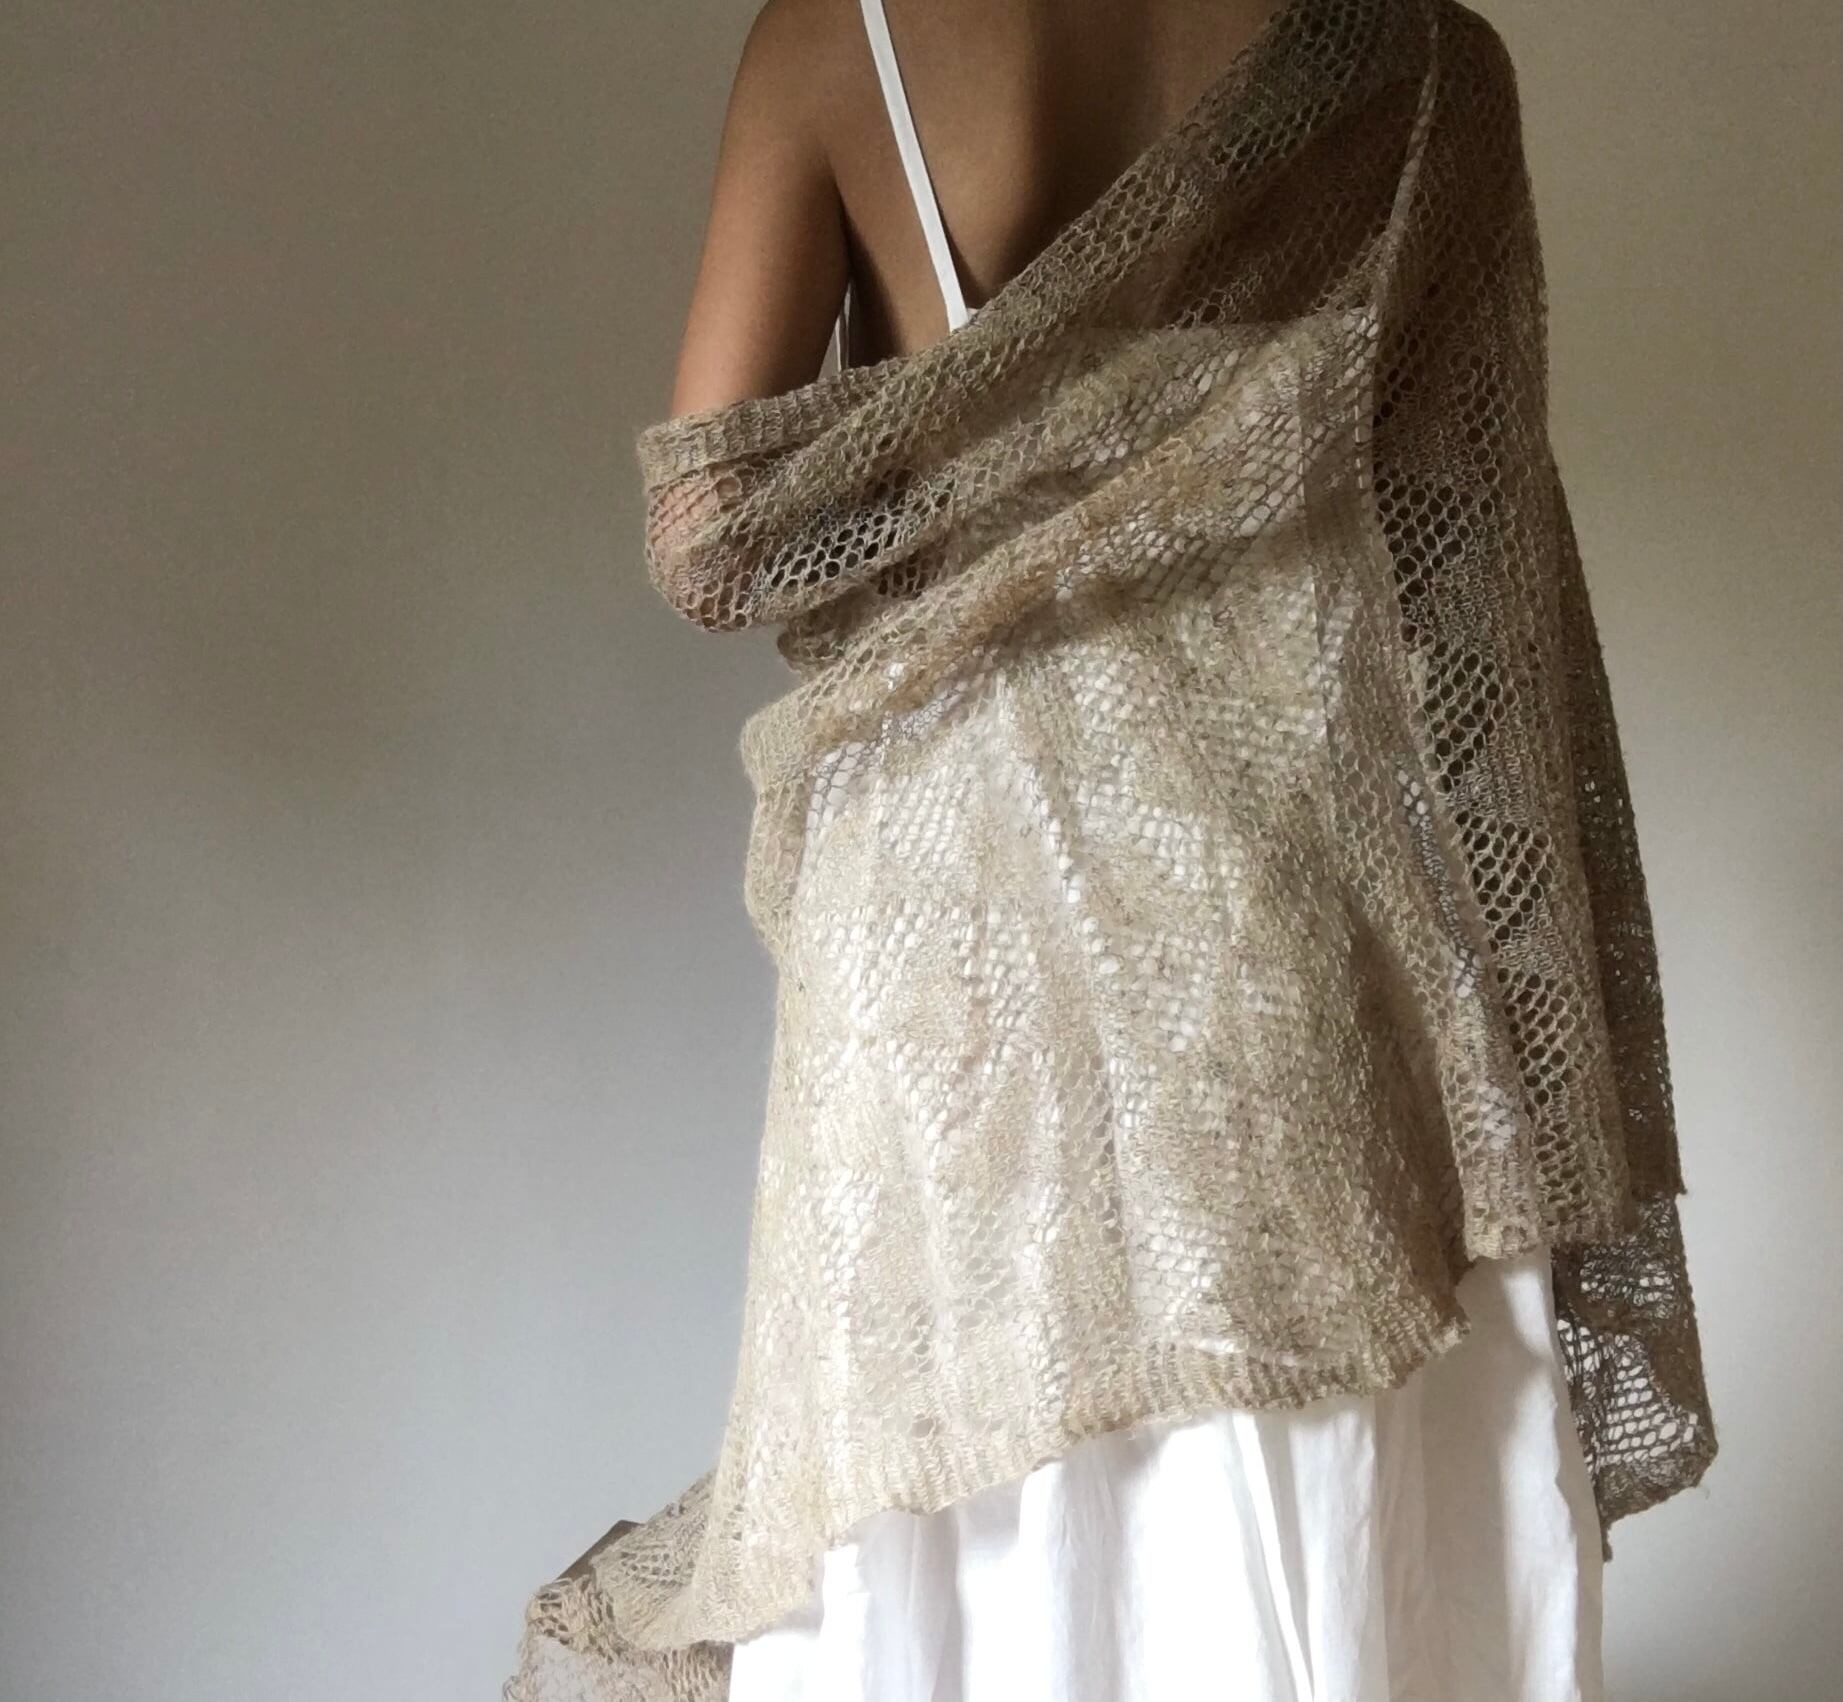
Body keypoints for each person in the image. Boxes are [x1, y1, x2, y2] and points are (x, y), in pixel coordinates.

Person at [505, 4, 1717, 1697]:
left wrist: (989, 467)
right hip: (1298, 896)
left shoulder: (838, 34)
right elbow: (1474, 598)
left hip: (961, 913)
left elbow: (710, 539)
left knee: (977, 1505)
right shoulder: (1426, 61)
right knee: (1303, 1499)